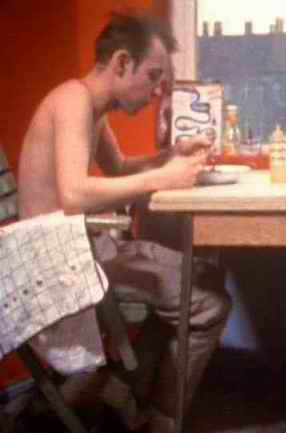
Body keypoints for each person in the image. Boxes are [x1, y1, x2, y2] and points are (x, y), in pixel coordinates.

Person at [17, 12, 231, 433]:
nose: (156, 91)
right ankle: (161, 419)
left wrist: (169, 157)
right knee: (210, 303)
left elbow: (117, 167)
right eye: (152, 76)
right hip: (60, 265)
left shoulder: (90, 106)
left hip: (83, 248)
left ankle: (125, 395)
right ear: (120, 63)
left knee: (207, 276)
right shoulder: (74, 101)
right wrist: (163, 178)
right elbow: (74, 194)